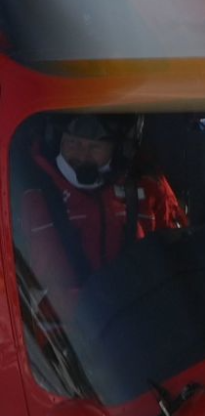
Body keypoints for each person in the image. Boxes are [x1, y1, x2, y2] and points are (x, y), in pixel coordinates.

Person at [17, 112, 184, 297]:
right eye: (73, 142)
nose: (83, 154)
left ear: (118, 149)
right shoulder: (24, 190)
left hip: (137, 315)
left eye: (95, 147)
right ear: (58, 141)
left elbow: (178, 260)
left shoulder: (151, 189)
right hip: (54, 322)